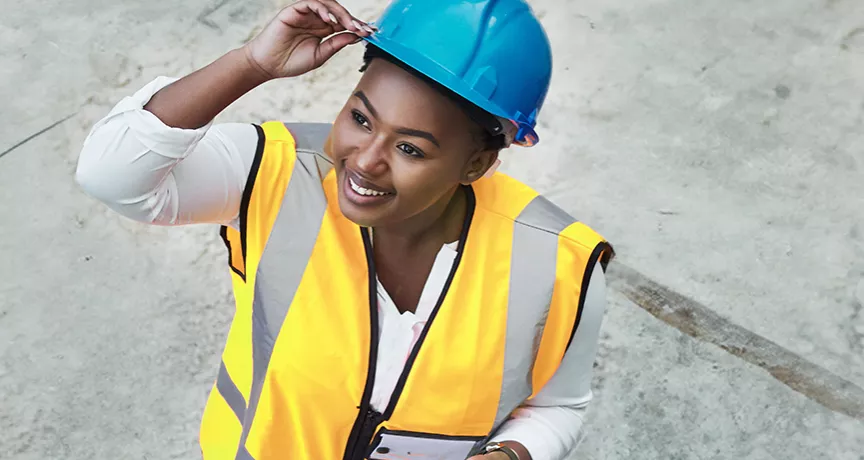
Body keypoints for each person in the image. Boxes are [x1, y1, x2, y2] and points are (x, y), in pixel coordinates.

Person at [75, 0, 613, 459]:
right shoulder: (275, 174)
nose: (365, 161)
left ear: (475, 165)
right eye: (360, 117)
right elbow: (112, 175)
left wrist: (513, 455)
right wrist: (251, 64)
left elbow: (558, 406)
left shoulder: (559, 261)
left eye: (410, 149)